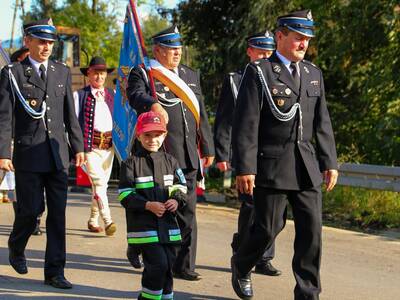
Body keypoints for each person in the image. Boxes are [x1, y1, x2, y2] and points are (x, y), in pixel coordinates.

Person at [230, 10, 339, 300]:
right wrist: (245, 168)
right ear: (280, 36)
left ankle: (308, 293)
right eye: (298, 37)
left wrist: (329, 162)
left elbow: (322, 121)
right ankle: (242, 264)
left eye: (307, 39)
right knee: (267, 229)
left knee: (312, 232)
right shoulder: (260, 72)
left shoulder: (313, 74)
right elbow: (246, 123)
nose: (303, 44)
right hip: (271, 164)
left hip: (305, 166)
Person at [0, 18, 84, 289]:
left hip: (57, 154)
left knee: (57, 214)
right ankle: (17, 244)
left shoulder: (60, 71)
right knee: (31, 210)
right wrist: (3, 153)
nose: (46, 47)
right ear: (28, 41)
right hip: (28, 154)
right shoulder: (13, 73)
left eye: (50, 42)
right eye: (41, 41)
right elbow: (4, 117)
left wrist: (78, 146)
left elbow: (70, 114)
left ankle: (55, 271)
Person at [127, 26, 215, 281]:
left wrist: (206, 146)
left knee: (186, 211)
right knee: (152, 211)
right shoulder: (145, 72)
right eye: (170, 48)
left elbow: (201, 113)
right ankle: (139, 247)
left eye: (178, 48)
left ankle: (183, 265)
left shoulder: (189, 75)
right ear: (157, 50)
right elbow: (134, 95)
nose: (176, 52)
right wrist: (152, 103)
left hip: (186, 154)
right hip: (158, 155)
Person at [214, 31, 282, 277]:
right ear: (249, 51)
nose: (264, 56)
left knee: (272, 209)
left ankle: (264, 257)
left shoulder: (279, 77)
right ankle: (243, 248)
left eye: (268, 52)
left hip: (273, 154)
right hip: (246, 154)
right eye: (260, 51)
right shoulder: (235, 80)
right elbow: (224, 120)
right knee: (251, 206)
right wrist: (222, 154)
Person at [118, 111, 187, 300]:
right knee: (158, 265)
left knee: (168, 266)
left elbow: (181, 186)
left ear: (164, 135)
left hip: (168, 226)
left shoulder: (171, 161)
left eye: (157, 135)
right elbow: (125, 195)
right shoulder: (130, 163)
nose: (152, 140)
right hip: (143, 227)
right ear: (139, 135)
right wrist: (147, 205)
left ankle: (165, 298)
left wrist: (176, 199)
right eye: (147, 135)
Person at [74, 56, 117, 236]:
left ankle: (93, 219)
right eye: (95, 73)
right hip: (90, 148)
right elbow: (74, 123)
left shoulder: (112, 95)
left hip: (109, 148)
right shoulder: (80, 95)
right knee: (98, 182)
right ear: (88, 74)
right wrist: (78, 149)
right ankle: (108, 220)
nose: (99, 77)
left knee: (101, 186)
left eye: (102, 73)